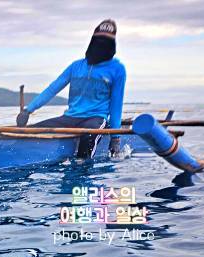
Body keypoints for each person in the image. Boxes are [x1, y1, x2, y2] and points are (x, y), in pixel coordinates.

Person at [17, 19, 126, 157]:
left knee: (88, 135)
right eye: (98, 41)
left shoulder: (117, 69)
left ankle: (82, 167)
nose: (101, 45)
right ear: (92, 42)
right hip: (70, 117)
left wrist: (115, 137)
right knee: (31, 131)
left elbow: (116, 104)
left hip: (96, 118)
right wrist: (28, 110)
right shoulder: (76, 66)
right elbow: (53, 89)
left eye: (106, 42)